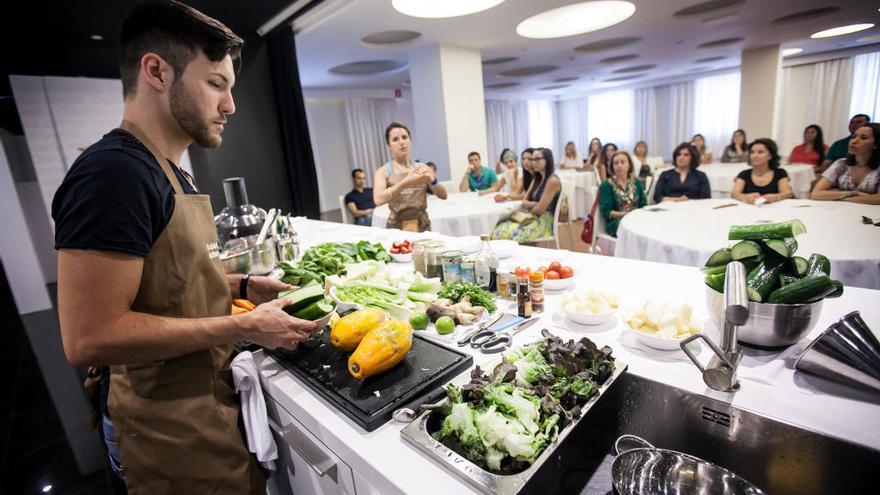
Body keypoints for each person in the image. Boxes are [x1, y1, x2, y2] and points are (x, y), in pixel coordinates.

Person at [51, 2, 315, 493]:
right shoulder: (113, 174)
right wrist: (242, 325)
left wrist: (243, 284)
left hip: (199, 405)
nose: (230, 105)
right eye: (216, 84)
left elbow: (170, 278)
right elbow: (89, 335)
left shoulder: (171, 170)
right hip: (159, 426)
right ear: (156, 71)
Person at [373, 122, 443, 232]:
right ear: (388, 146)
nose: (401, 142)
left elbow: (443, 196)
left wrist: (433, 181)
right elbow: (378, 200)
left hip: (423, 227)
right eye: (395, 139)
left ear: (410, 140)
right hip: (396, 229)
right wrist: (406, 182)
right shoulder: (383, 171)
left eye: (404, 137)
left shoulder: (421, 168)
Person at [492, 148, 562, 242]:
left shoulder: (553, 181)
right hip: (531, 217)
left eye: (537, 159)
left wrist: (532, 205)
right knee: (498, 227)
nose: (534, 162)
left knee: (500, 233)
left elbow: (539, 210)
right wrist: (534, 204)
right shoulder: (537, 178)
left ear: (547, 160)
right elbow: (524, 201)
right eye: (533, 159)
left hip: (543, 222)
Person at [811, 123, 880, 204]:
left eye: (863, 138)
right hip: (842, 210)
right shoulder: (841, 163)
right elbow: (816, 194)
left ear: (876, 144)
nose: (854, 141)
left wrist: (836, 195)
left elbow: (878, 199)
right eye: (853, 137)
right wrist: (852, 194)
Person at [599, 151, 647, 237]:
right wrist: (626, 215)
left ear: (629, 165)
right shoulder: (606, 185)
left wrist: (639, 214)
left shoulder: (636, 182)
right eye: (616, 163)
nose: (619, 165)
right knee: (638, 228)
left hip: (637, 218)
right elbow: (607, 212)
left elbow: (643, 204)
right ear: (612, 166)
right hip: (616, 223)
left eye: (622, 162)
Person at [732, 138, 792, 204]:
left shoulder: (780, 173)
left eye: (760, 152)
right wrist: (746, 197)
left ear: (770, 156)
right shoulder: (744, 174)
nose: (755, 155)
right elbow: (734, 194)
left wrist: (775, 197)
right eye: (752, 152)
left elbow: (787, 193)